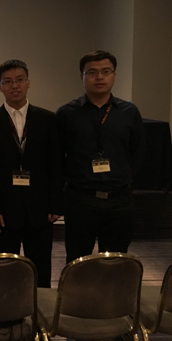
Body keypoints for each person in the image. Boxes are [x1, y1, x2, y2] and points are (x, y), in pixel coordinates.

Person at [0, 60, 63, 287]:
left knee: (41, 266)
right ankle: (8, 306)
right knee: (6, 270)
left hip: (40, 208)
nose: (14, 86)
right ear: (0, 87)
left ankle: (41, 307)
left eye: (19, 80)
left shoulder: (48, 119)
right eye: (7, 82)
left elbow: (56, 164)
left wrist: (55, 204)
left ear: (28, 83)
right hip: (4, 210)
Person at [56, 50, 145, 264]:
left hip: (119, 200)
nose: (99, 77)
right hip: (80, 200)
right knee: (78, 260)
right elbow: (57, 156)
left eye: (106, 71)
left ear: (114, 75)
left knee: (115, 261)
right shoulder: (67, 113)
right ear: (82, 77)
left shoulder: (129, 112)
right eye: (92, 72)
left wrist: (123, 178)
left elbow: (138, 152)